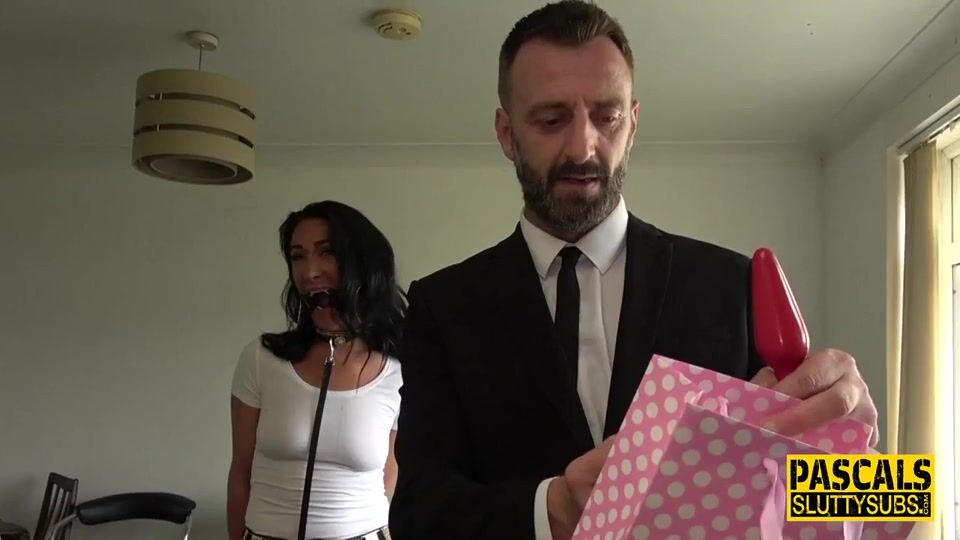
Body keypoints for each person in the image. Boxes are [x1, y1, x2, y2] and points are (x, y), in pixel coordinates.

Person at [388, 2, 879, 539]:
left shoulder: (731, 286)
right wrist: (555, 508)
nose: (583, 147)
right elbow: (416, 516)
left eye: (608, 116)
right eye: (551, 120)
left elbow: (831, 507)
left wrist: (861, 460)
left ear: (634, 123)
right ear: (507, 133)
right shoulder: (443, 306)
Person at [228, 201, 405, 540]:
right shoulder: (261, 358)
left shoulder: (397, 371)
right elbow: (240, 473)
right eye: (298, 256)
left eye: (327, 252)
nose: (309, 272)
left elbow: (389, 477)